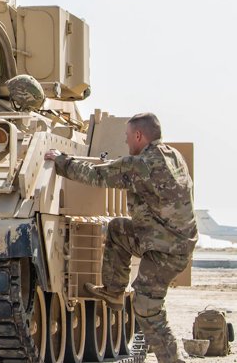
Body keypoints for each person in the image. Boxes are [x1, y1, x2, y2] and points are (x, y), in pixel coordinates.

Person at [44, 112, 197, 363]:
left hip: (164, 250)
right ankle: (114, 291)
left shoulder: (141, 165)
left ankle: (172, 360)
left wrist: (62, 161)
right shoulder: (173, 156)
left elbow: (96, 175)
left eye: (128, 137)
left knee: (147, 308)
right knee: (117, 229)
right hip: (172, 241)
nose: (126, 142)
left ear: (139, 135)